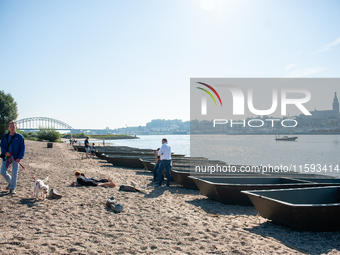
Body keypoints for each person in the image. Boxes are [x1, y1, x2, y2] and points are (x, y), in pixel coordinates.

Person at [0, 121, 25, 195]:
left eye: (13, 126)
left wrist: (19, 157)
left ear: (16, 127)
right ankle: (11, 182)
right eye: (10, 126)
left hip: (16, 157)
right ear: (8, 128)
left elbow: (22, 148)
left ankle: (12, 188)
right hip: (6, 157)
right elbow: (2, 146)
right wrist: (5, 152)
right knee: (2, 172)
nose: (12, 128)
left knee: (14, 173)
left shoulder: (20, 137)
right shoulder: (4, 136)